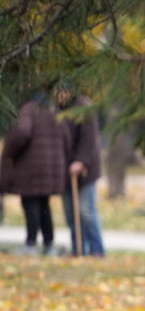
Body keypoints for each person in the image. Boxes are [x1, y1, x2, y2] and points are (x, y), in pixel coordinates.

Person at [0, 93, 67, 255]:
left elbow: (21, 132)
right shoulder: (54, 111)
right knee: (44, 204)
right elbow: (66, 136)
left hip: (32, 167)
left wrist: (9, 154)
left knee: (30, 203)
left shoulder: (28, 110)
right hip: (51, 167)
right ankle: (48, 244)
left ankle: (30, 244)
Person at [56, 89, 105, 257]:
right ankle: (78, 249)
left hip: (85, 170)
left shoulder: (83, 105)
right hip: (65, 170)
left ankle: (97, 250)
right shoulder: (55, 109)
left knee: (86, 212)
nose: (60, 94)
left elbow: (89, 137)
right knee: (70, 213)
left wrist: (80, 160)